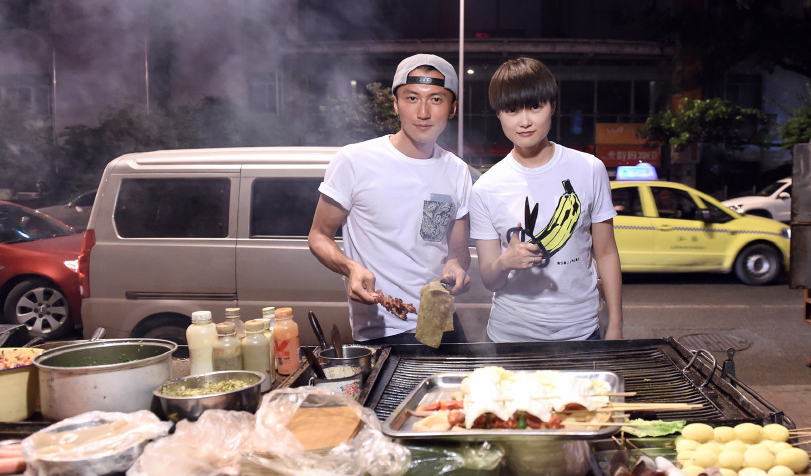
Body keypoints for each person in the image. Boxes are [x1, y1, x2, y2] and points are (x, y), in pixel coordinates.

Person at [308, 53, 473, 345]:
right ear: (396, 103)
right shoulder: (354, 160)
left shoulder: (457, 171)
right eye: (412, 98)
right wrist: (351, 268)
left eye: (436, 99)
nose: (423, 112)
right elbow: (319, 236)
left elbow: (457, 253)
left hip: (440, 321)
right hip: (382, 328)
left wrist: (456, 267)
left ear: (452, 108)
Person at [468, 57, 623, 342]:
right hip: (509, 337)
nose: (524, 121)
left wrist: (615, 325)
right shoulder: (485, 188)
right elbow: (490, 280)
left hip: (582, 333)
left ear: (552, 106)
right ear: (499, 114)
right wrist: (504, 262)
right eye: (512, 110)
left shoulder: (589, 169)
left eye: (535, 107)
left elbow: (606, 252)